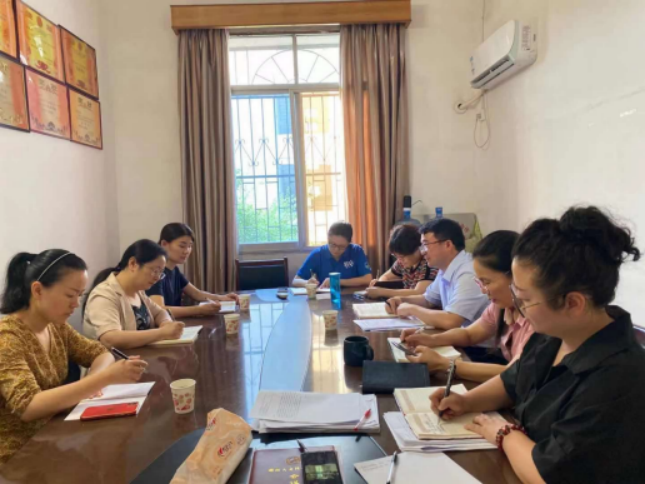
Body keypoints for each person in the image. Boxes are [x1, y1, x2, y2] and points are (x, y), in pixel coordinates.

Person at [431, 207, 645, 483]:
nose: (518, 307)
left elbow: (549, 473)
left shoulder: (618, 378)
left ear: (573, 303)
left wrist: (504, 434)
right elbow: (512, 381)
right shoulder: (553, 334)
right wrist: (466, 401)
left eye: (524, 299)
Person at [0, 250, 147, 464]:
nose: (76, 304)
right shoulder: (7, 338)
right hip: (19, 456)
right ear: (38, 290)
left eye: (80, 295)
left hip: (57, 436)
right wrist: (102, 379)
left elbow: (101, 352)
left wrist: (92, 383)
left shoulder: (56, 327)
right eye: (70, 295)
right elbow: (29, 406)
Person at [402, 230, 535, 382]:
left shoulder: (535, 317)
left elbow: (514, 374)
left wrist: (445, 365)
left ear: (515, 276)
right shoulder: (501, 306)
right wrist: (430, 339)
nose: (483, 290)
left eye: (487, 282)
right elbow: (469, 334)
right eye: (480, 282)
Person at [386, 218, 489, 331]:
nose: (423, 251)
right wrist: (401, 300)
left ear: (447, 245)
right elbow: (428, 300)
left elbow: (451, 321)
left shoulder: (468, 273)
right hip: (458, 337)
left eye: (426, 245)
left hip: (476, 341)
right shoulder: (445, 268)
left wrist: (412, 310)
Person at [83, 240, 185, 349]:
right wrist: (162, 333)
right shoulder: (104, 294)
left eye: (160, 273)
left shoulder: (138, 292)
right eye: (155, 271)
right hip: (114, 359)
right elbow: (110, 339)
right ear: (133, 264)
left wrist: (166, 323)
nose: (157, 278)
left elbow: (160, 312)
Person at [146, 223, 238, 319]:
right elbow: (159, 310)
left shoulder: (174, 270)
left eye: (190, 246)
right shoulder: (155, 273)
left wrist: (223, 298)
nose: (187, 251)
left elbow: (196, 294)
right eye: (182, 246)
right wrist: (199, 310)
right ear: (164, 244)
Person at [365, 224, 437, 299]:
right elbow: (386, 276)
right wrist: (380, 283)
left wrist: (381, 292)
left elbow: (419, 292)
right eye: (396, 256)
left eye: (402, 256)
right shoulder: (402, 262)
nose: (399, 260)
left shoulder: (428, 264)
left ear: (417, 249)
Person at [293, 222, 372, 288]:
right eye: (333, 245)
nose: (336, 250)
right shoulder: (318, 254)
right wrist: (307, 282)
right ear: (328, 239)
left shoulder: (356, 251)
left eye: (341, 246)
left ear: (349, 243)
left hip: (353, 296)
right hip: (327, 297)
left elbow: (368, 279)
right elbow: (295, 281)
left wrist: (337, 281)